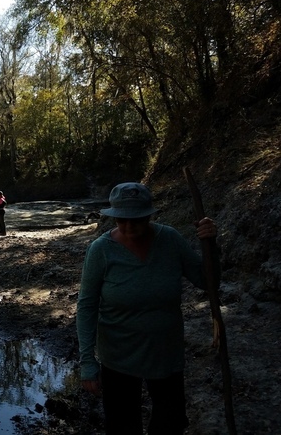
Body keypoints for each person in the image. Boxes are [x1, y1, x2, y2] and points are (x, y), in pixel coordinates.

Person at [76, 182, 219, 435]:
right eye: (122, 220)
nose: (129, 227)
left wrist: (211, 244)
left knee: (170, 422)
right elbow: (87, 305)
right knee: (123, 426)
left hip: (166, 353)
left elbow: (208, 282)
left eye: (137, 220)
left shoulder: (170, 240)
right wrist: (87, 361)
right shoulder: (101, 250)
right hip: (118, 356)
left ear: (150, 215)